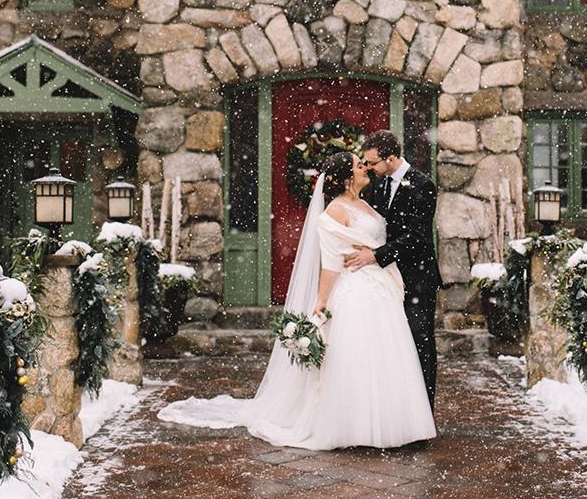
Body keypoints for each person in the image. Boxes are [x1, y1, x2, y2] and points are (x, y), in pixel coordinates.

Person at [158, 152, 436, 450]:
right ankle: (354, 426)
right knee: (358, 357)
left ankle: (392, 423)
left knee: (386, 357)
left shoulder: (366, 203)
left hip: (380, 290)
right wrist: (321, 301)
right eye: (358, 166)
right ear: (346, 178)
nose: (365, 168)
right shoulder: (336, 211)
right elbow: (331, 263)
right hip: (356, 291)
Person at [345, 130, 440, 408]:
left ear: (391, 157)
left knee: (420, 342)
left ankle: (423, 412)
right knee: (394, 344)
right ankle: (398, 410)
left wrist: (376, 256)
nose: (369, 168)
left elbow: (417, 236)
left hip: (417, 277)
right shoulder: (380, 184)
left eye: (373, 163)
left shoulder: (423, 185)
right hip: (386, 280)